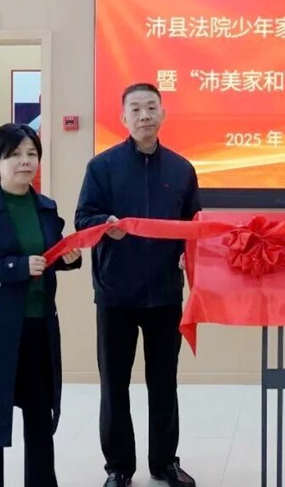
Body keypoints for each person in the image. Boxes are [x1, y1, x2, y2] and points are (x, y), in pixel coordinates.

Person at [75, 83, 201, 487]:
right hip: (116, 293)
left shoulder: (181, 169)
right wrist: (104, 225)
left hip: (165, 293)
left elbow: (194, 226)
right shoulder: (102, 167)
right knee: (114, 384)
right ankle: (118, 467)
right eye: (135, 109)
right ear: (123, 118)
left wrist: (187, 253)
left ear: (163, 113)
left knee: (164, 382)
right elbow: (83, 219)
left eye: (151, 107)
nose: (144, 115)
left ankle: (164, 462)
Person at [0, 123, 82, 487]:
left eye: (31, 154)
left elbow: (50, 254)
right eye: (14, 155)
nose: (26, 161)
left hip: (38, 325)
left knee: (40, 416)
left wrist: (69, 258)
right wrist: (16, 267)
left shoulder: (45, 207)